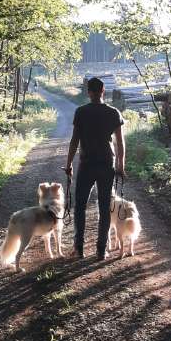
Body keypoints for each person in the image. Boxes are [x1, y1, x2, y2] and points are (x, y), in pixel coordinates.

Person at [65, 77, 125, 261]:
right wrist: (120, 166)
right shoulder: (113, 112)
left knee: (80, 207)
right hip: (107, 163)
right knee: (105, 207)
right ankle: (101, 251)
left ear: (88, 92)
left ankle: (79, 248)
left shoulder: (81, 112)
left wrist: (68, 165)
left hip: (87, 163)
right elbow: (120, 142)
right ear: (103, 91)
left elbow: (74, 140)